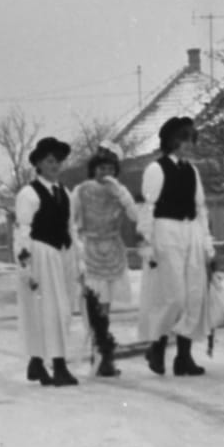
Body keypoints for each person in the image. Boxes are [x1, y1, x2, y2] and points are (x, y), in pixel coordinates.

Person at [137, 116, 215, 376]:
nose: (189, 144)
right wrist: (147, 243)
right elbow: (148, 208)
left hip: (190, 232)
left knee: (193, 296)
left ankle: (184, 357)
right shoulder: (156, 170)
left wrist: (207, 245)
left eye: (192, 138)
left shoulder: (192, 171)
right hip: (166, 232)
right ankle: (156, 348)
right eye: (184, 138)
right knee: (173, 297)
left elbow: (200, 208)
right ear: (171, 141)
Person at [14, 136, 80, 386]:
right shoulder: (29, 194)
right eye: (50, 161)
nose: (55, 165)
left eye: (58, 161)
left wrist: (77, 258)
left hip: (61, 255)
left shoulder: (65, 192)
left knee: (60, 310)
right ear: (39, 164)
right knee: (47, 311)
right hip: (40, 254)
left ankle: (37, 363)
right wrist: (26, 267)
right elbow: (22, 231)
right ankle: (58, 365)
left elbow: (70, 226)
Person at [72, 146, 139, 377]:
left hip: (113, 249)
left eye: (110, 168)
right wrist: (77, 248)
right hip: (90, 249)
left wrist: (121, 192)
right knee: (94, 304)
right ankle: (98, 353)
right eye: (102, 168)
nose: (106, 172)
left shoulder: (119, 191)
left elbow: (135, 216)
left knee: (106, 306)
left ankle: (104, 356)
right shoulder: (81, 191)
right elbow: (71, 221)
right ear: (93, 169)